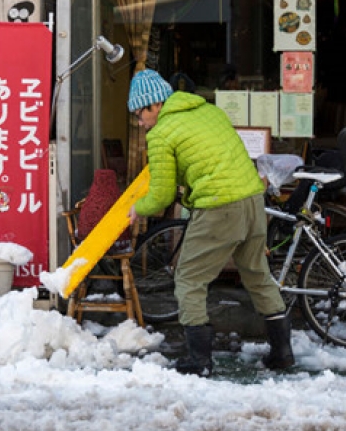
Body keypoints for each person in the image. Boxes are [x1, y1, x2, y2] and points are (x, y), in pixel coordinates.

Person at [126, 69, 294, 376]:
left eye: (139, 115)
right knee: (257, 274)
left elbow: (161, 195)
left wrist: (139, 207)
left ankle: (198, 360)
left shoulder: (161, 133)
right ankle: (282, 353)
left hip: (219, 208)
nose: (140, 123)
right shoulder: (209, 111)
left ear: (154, 106)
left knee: (189, 279)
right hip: (253, 202)